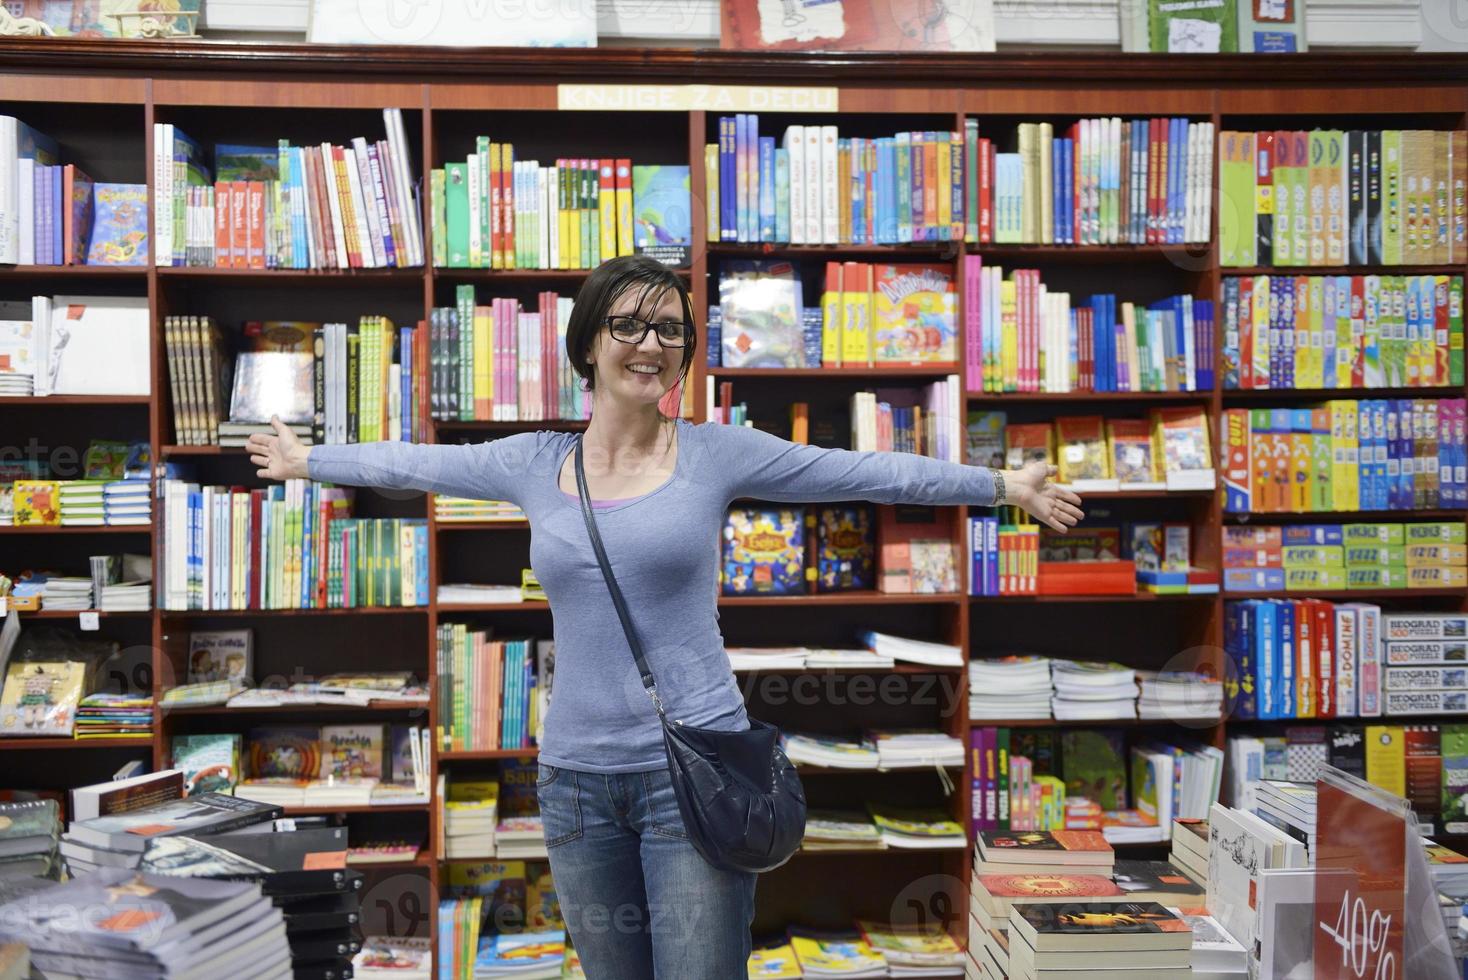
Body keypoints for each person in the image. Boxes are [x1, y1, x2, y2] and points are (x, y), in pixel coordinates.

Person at [247, 254, 1083, 979]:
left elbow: (861, 472)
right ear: (589, 344)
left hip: (694, 775)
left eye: (671, 331)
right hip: (573, 783)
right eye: (630, 325)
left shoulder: (715, 451)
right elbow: (414, 461)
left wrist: (1001, 486)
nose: (651, 345)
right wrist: (305, 459)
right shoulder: (535, 462)